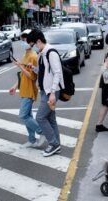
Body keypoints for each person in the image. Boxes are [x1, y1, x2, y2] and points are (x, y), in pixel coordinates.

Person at [27, 29, 64, 157]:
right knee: (50, 119)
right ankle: (57, 145)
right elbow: (45, 73)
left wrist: (53, 92)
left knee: (40, 117)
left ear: (38, 41)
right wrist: (34, 69)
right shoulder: (42, 53)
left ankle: (53, 144)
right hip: (45, 90)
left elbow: (57, 73)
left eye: (33, 44)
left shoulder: (50, 52)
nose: (33, 47)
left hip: (51, 92)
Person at [9, 33, 45, 148]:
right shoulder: (26, 54)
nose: (23, 42)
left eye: (25, 40)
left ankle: (41, 131)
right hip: (23, 89)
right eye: (22, 40)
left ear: (31, 42)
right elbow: (22, 75)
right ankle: (31, 140)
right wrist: (15, 86)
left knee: (23, 116)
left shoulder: (33, 56)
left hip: (29, 90)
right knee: (28, 116)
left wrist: (20, 66)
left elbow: (33, 77)